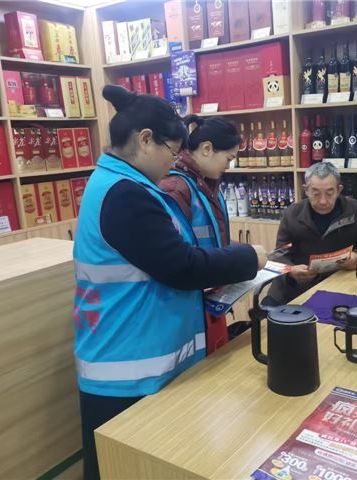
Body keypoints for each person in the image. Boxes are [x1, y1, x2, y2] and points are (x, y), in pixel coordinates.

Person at [73, 86, 267, 480]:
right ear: (145, 140)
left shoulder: (128, 185)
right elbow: (181, 265)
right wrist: (249, 257)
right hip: (127, 374)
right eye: (172, 150)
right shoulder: (124, 195)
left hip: (138, 361)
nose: (175, 161)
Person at [159, 115, 242, 352]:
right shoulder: (176, 188)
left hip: (209, 297)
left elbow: (212, 238)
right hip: (188, 304)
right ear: (207, 149)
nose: (229, 166)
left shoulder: (205, 184)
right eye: (228, 158)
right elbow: (175, 255)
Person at [267, 162, 357, 305]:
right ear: (306, 190)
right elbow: (279, 254)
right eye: (316, 193)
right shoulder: (292, 214)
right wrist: (291, 271)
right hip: (295, 290)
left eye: (329, 193)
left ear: (339, 190)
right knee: (268, 315)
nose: (323, 201)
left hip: (338, 286)